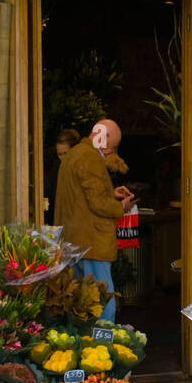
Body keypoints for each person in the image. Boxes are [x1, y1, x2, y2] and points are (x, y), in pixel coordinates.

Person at [54, 119, 134, 323]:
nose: (111, 151)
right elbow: (98, 203)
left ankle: (86, 342)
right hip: (92, 241)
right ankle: (103, 343)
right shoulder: (90, 158)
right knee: (102, 295)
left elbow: (82, 196)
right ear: (105, 140)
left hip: (76, 239)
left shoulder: (74, 154)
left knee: (80, 299)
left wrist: (111, 192)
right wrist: (121, 207)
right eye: (113, 146)